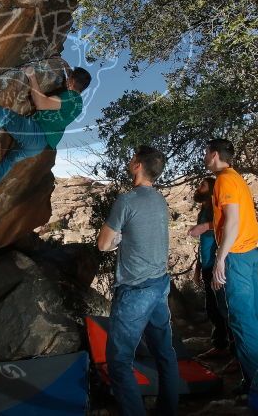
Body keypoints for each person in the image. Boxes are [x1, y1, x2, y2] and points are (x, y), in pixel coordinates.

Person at [96, 146, 179, 416]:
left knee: (119, 362)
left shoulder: (127, 200)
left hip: (135, 290)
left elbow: (103, 244)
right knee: (164, 353)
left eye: (132, 159)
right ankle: (169, 410)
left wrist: (118, 237)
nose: (130, 161)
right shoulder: (159, 199)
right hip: (159, 285)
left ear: (138, 166)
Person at [189, 139, 258, 393]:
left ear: (214, 154)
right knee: (256, 316)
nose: (204, 157)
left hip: (236, 256)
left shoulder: (224, 180)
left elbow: (233, 222)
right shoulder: (236, 178)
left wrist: (219, 260)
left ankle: (255, 384)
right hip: (249, 253)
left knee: (241, 319)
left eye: (206, 153)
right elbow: (230, 220)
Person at [0, 62, 91, 196]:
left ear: (72, 80)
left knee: (5, 114)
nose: (66, 80)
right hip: (38, 146)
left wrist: (31, 75)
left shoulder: (72, 96)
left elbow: (41, 103)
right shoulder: (78, 106)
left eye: (69, 77)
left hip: (35, 133)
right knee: (9, 160)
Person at [189, 176, 232, 359]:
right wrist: (198, 267)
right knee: (213, 308)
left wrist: (204, 226)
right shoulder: (204, 209)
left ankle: (235, 351)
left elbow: (226, 225)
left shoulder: (216, 207)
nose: (199, 188)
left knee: (224, 308)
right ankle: (220, 345)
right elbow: (203, 243)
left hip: (217, 265)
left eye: (203, 185)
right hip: (207, 265)